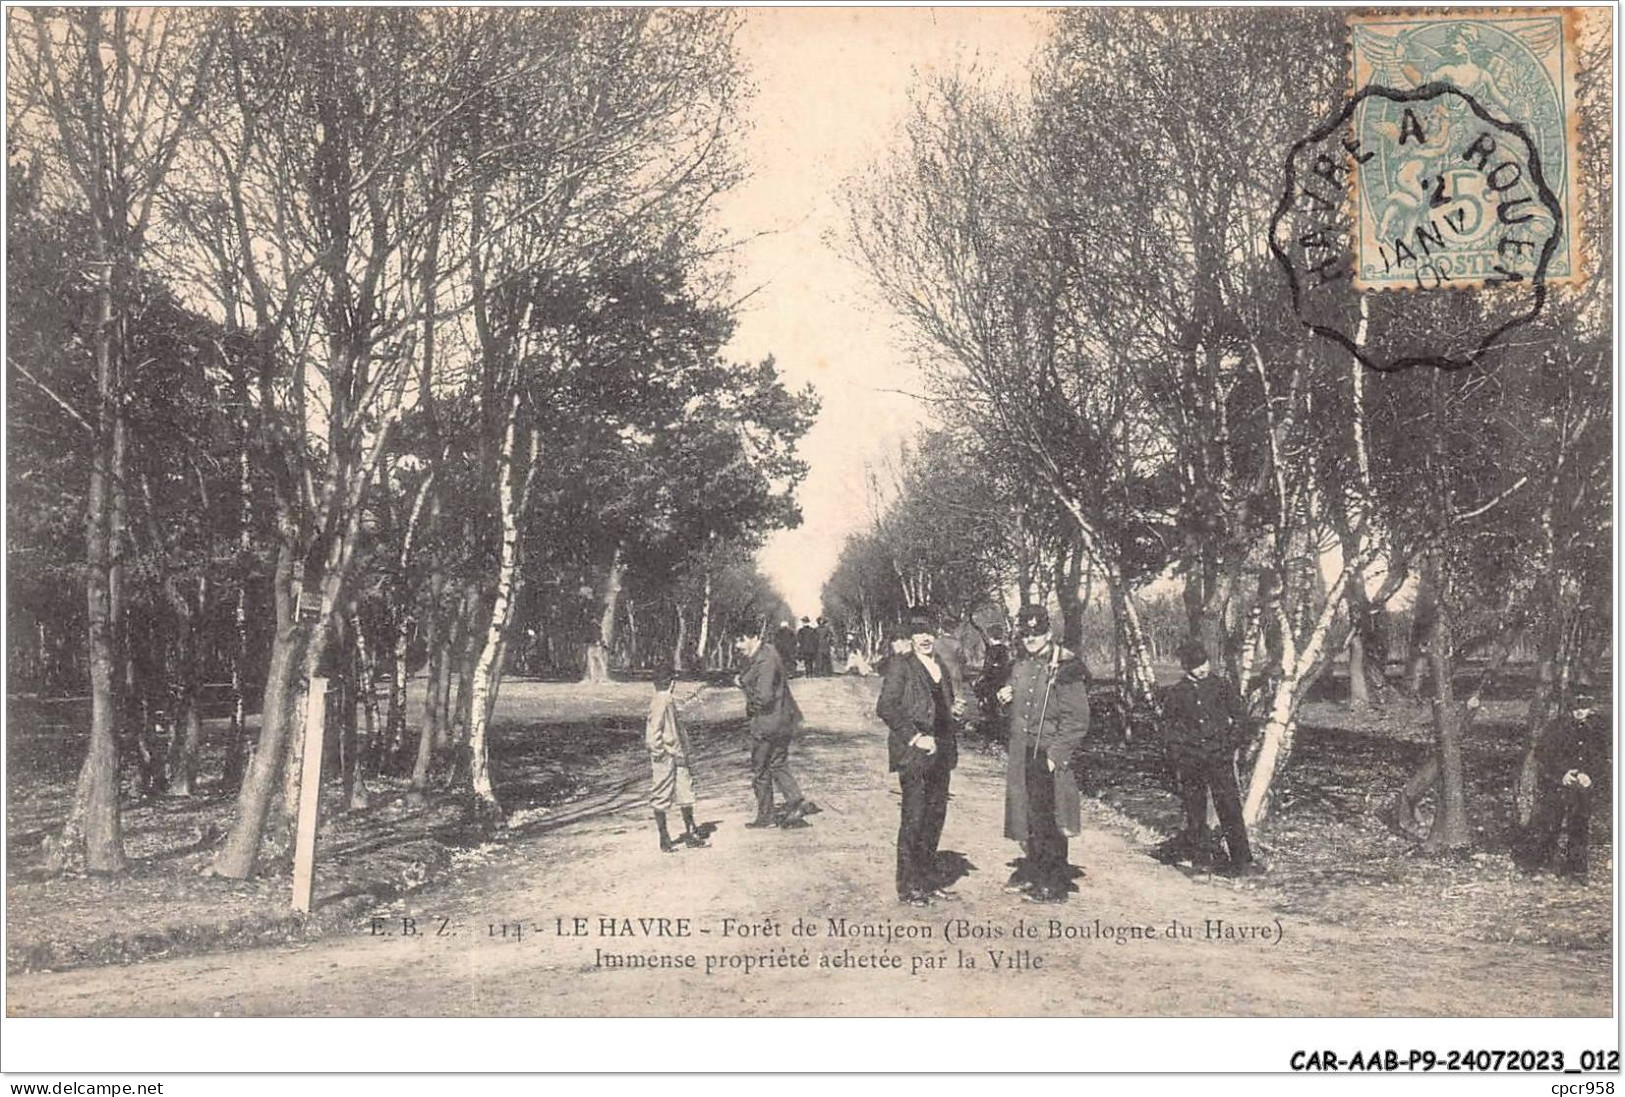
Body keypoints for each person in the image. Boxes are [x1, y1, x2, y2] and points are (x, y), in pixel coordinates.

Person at [996, 605, 1090, 903]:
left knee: (1050, 819)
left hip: (1047, 752)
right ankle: (1034, 871)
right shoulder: (1021, 666)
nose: (1031, 639)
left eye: (1037, 633)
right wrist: (1004, 697)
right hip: (1022, 750)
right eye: (1026, 634)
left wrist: (1056, 754)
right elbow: (1019, 706)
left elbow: (1078, 720)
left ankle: (1054, 883)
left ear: (1049, 633)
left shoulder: (1065, 668)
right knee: (1027, 815)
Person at [876, 609, 960, 906]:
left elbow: (941, 706)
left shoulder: (940, 667)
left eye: (929, 632)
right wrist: (915, 737)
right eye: (918, 632)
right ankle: (908, 886)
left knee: (935, 818)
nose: (925, 638)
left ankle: (927, 880)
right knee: (914, 818)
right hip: (914, 753)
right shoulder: (901, 666)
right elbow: (886, 707)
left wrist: (955, 712)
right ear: (910, 638)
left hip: (942, 751)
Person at [1158, 638, 1262, 877]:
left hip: (1219, 757)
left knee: (1230, 807)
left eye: (1204, 662)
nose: (1203, 668)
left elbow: (1241, 718)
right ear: (1186, 667)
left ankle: (1242, 860)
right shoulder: (1177, 693)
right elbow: (1168, 727)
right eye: (1196, 665)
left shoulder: (1221, 686)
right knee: (1195, 809)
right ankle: (1200, 859)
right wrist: (1179, 752)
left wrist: (1229, 745)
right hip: (1191, 760)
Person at [1519, 693, 1599, 882]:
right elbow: (1543, 753)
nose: (1579, 711)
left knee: (1579, 824)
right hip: (1558, 784)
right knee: (1550, 823)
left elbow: (1603, 757)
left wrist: (1590, 775)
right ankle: (1540, 865)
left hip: (1583, 785)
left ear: (1591, 708)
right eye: (1576, 707)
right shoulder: (1557, 726)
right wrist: (1562, 773)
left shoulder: (1597, 729)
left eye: (1584, 707)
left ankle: (1577, 869)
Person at [735, 630, 810, 829]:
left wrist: (748, 699)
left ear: (753, 638)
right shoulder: (768, 652)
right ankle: (795, 803)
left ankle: (766, 816)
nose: (738, 646)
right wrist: (743, 681)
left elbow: (764, 697)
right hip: (783, 720)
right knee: (778, 763)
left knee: (760, 769)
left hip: (767, 723)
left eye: (741, 640)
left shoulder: (765, 660)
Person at [646, 665, 708, 853]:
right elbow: (653, 732)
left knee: (684, 792)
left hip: (677, 754)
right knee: (662, 793)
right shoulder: (661, 701)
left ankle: (690, 832)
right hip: (667, 756)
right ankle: (664, 838)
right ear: (672, 683)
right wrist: (660, 753)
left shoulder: (666, 699)